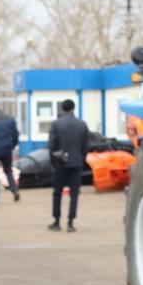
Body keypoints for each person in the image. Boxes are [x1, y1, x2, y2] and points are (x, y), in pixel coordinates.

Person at [48, 99, 89, 231]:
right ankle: (71, 222)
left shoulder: (56, 124)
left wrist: (53, 162)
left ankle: (56, 221)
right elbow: (86, 146)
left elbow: (52, 145)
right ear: (73, 108)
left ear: (62, 108)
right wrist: (81, 160)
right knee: (74, 193)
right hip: (76, 162)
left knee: (57, 192)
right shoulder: (82, 125)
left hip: (60, 163)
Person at [0, 103, 20, 204]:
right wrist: (12, 146)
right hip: (7, 149)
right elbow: (16, 134)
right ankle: (14, 190)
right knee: (8, 171)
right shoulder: (9, 119)